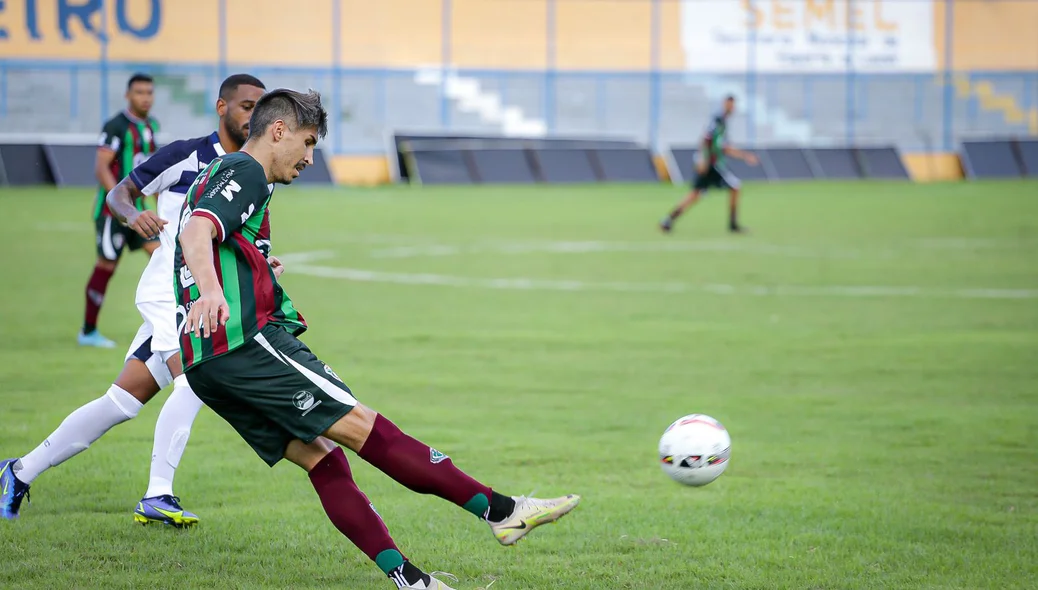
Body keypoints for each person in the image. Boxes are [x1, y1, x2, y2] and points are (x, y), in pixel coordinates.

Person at [175, 88, 580, 590]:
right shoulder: (247, 171)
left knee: (322, 456)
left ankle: (411, 580)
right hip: (243, 342)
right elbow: (196, 234)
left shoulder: (222, 173)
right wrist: (213, 292)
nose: (308, 158)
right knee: (363, 426)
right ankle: (503, 510)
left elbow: (209, 239)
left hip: (206, 363)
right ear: (277, 130)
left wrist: (258, 267)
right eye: (306, 142)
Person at [0, 75, 268, 527]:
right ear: (221, 107)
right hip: (169, 292)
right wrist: (132, 214)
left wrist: (263, 264)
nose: (253, 116)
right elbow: (118, 192)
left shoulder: (254, 170)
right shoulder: (185, 155)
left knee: (119, 403)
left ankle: (19, 471)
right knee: (197, 379)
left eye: (260, 109)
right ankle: (158, 494)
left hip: (200, 297)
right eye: (246, 106)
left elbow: (247, 235)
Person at [81, 73, 161, 348]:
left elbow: (153, 170)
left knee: (164, 258)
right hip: (112, 215)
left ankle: (165, 323)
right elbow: (101, 166)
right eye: (140, 92)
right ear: (128, 95)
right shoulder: (116, 126)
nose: (145, 98)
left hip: (141, 213)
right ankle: (88, 331)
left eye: (149, 92)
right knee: (106, 266)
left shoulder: (151, 127)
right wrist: (119, 202)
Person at [659, 95, 758, 234]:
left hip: (710, 163)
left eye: (733, 104)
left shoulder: (723, 123)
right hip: (711, 164)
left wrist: (744, 156)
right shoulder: (718, 121)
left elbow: (724, 147)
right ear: (724, 104)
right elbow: (706, 140)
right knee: (735, 187)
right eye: (730, 104)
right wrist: (702, 159)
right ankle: (733, 225)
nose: (732, 107)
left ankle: (668, 220)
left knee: (696, 194)